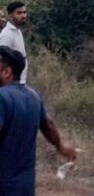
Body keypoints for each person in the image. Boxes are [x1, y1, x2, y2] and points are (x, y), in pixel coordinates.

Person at [0, 46, 77, 195]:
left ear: (6, 72)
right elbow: (48, 125)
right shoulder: (33, 96)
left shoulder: (2, 97)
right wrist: (61, 147)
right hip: (25, 188)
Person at [0, 2, 29, 84]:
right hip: (10, 83)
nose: (23, 16)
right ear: (10, 15)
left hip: (20, 81)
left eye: (24, 12)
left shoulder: (17, 31)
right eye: (19, 13)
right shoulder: (7, 35)